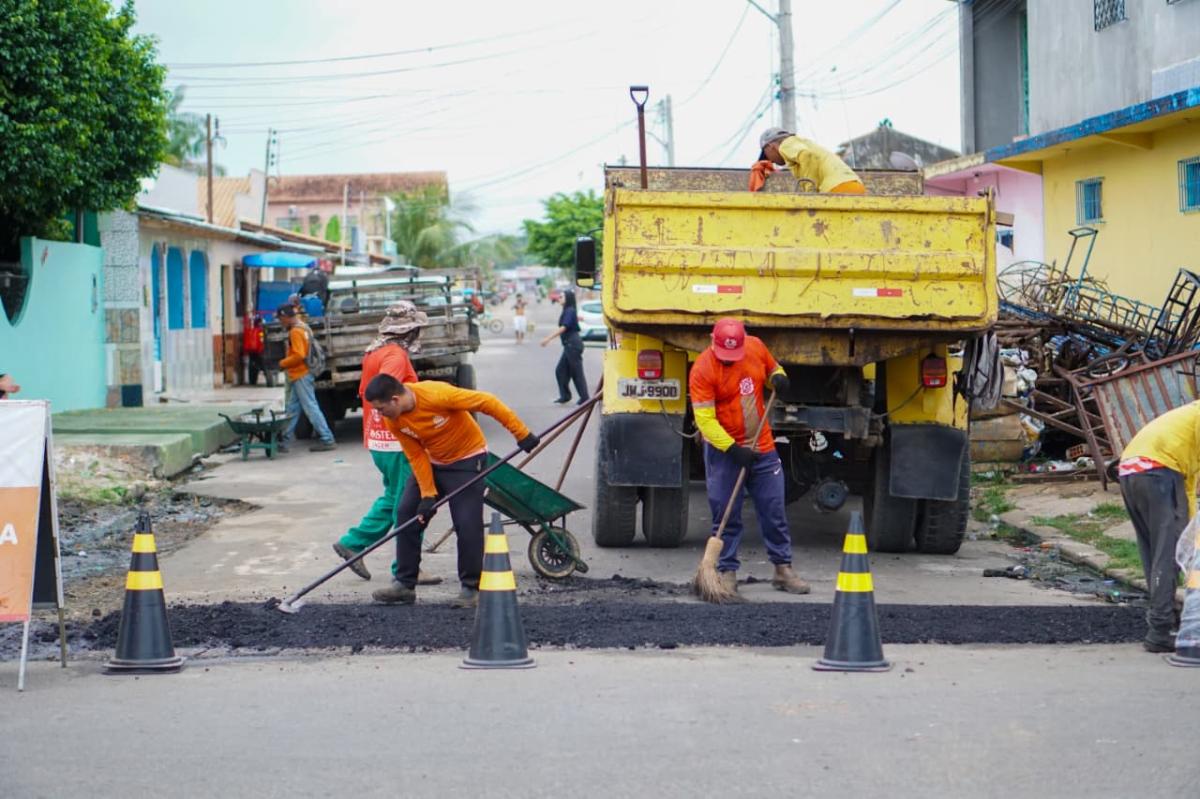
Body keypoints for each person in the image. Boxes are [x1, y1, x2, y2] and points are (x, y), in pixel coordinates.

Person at [363, 375, 539, 607]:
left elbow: (487, 402)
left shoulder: (437, 394)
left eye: (381, 408)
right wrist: (427, 494)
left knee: (466, 523)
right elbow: (416, 455)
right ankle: (404, 584)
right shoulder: (393, 419)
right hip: (433, 463)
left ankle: (471, 588)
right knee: (406, 513)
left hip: (466, 460)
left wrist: (521, 433)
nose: (379, 414)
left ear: (395, 399)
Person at [688, 317, 809, 596]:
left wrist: (778, 377)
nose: (729, 361)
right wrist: (732, 448)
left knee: (773, 508)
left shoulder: (754, 347)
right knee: (725, 513)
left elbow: (772, 368)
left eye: (734, 355)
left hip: (762, 446)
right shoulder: (703, 370)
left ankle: (782, 569)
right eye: (725, 356)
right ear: (712, 341)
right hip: (725, 451)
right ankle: (727, 571)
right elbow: (705, 421)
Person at [331, 302, 439, 587]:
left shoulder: (374, 351)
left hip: (378, 440)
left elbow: (366, 392)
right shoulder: (395, 355)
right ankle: (406, 567)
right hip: (397, 441)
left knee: (394, 497)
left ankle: (353, 543)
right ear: (409, 331)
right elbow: (386, 390)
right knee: (408, 503)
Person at [1117, 401, 1200, 652]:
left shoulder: (1190, 415)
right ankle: (1160, 631)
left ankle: (1168, 613)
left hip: (1130, 470)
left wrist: (1190, 526)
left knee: (1154, 549)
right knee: (1168, 552)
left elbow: (1189, 481)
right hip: (1158, 470)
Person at [277, 303, 337, 453]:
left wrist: (283, 363)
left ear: (285, 316)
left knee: (310, 407)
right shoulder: (303, 327)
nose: (280, 322)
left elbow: (299, 355)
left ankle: (327, 438)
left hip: (301, 374)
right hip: (301, 374)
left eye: (280, 319)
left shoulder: (295, 332)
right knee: (292, 408)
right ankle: (284, 441)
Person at [753, 126, 866, 195]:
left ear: (770, 146)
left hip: (837, 189)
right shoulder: (802, 142)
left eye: (766, 155)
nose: (770, 161)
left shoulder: (785, 144)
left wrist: (809, 189)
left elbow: (806, 155)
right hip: (854, 186)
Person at [540, 289, 589, 405]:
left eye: (562, 296)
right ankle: (565, 396)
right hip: (569, 345)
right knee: (561, 371)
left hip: (573, 345)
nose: (559, 298)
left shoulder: (570, 311)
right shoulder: (567, 310)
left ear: (568, 298)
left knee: (576, 372)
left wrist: (548, 338)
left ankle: (585, 397)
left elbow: (564, 327)